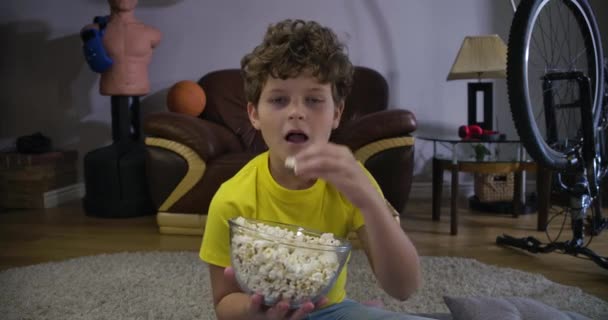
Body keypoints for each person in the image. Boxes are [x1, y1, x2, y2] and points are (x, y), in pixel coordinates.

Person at [200, 19, 427, 320]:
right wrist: (255, 311)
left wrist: (369, 200)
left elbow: (404, 287)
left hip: (331, 312)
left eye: (314, 100)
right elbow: (224, 302)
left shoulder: (352, 182)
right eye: (279, 100)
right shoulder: (231, 198)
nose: (297, 112)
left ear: (337, 113)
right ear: (254, 114)